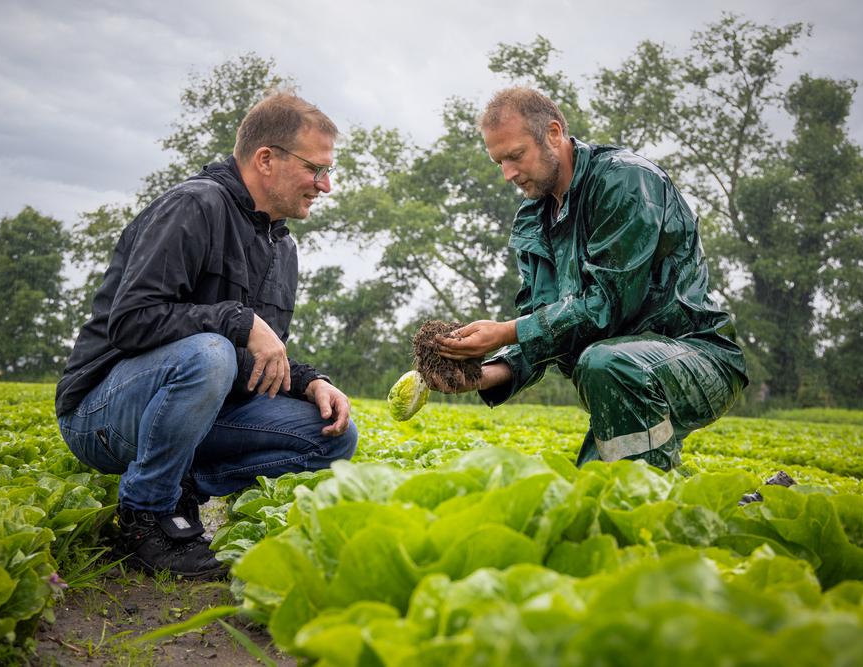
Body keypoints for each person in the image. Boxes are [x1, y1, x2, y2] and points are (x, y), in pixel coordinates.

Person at [55, 90, 358, 579]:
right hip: (101, 412)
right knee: (211, 353)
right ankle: (144, 519)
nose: (324, 185)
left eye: (327, 171)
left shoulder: (282, 247)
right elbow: (132, 321)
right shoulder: (193, 206)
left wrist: (309, 382)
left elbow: (254, 357)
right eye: (315, 169)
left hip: (195, 406)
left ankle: (179, 490)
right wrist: (236, 322)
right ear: (266, 159)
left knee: (331, 435)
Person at [431, 87, 748, 472]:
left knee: (605, 370)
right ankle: (751, 499)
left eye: (516, 156)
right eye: (499, 161)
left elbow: (607, 305)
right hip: (617, 369)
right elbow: (542, 324)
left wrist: (504, 332)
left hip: (697, 354)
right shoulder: (534, 218)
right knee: (593, 487)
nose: (508, 174)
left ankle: (651, 497)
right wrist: (479, 376)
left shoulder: (626, 181)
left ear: (552, 133)